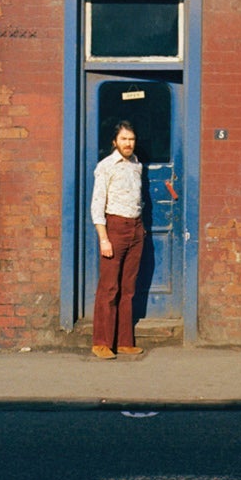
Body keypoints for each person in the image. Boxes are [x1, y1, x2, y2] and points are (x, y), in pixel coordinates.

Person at [90, 119, 148, 359]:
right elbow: (97, 205)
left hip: (135, 228)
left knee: (128, 288)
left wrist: (140, 228)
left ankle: (124, 341)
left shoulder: (137, 165)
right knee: (109, 287)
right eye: (124, 139)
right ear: (115, 142)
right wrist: (104, 239)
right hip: (114, 227)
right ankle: (102, 342)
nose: (128, 143)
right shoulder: (106, 166)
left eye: (131, 139)